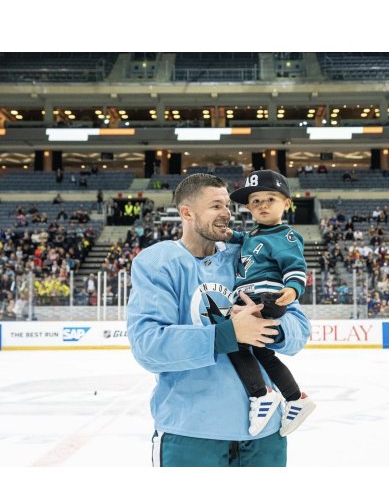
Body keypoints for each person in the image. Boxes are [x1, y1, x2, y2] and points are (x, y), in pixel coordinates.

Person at [127, 173, 310, 467]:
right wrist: (229, 334)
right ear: (186, 212)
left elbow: (299, 328)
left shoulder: (250, 256)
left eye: (227, 205)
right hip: (191, 434)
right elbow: (149, 345)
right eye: (216, 206)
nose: (227, 213)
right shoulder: (157, 263)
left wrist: (265, 329)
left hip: (266, 436)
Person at [227, 170, 315, 437]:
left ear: (287, 203)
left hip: (266, 297)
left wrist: (292, 289)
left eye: (270, 199)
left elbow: (295, 266)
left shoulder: (285, 236)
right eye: (255, 201)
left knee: (232, 339)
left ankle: (261, 393)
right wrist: (230, 234)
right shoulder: (255, 234)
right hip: (254, 296)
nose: (262, 205)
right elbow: (246, 241)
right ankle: (295, 397)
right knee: (263, 353)